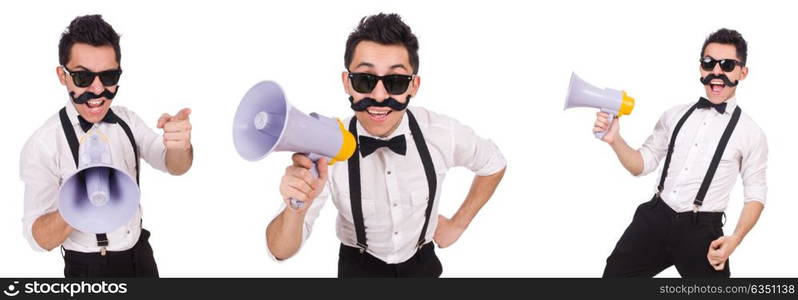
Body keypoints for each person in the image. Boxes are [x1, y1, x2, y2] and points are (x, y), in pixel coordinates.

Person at [265, 13, 507, 277]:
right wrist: (294, 207)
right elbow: (281, 251)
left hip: (422, 263)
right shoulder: (325, 144)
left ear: (413, 86)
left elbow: (493, 163)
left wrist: (458, 225)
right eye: (365, 80)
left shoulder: (441, 133)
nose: (379, 96)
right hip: (357, 267)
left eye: (395, 82)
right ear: (347, 83)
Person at [20, 14, 194, 277]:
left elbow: (174, 166)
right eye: (82, 78)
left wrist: (179, 145)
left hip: (140, 255)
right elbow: (39, 239)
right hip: (89, 268)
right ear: (62, 76)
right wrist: (79, 203)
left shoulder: (128, 121)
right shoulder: (44, 144)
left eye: (109, 75)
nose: (98, 90)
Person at [596, 28, 767, 277]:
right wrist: (615, 139)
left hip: (702, 231)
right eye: (709, 63)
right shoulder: (674, 115)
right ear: (701, 68)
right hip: (656, 215)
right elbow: (642, 165)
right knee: (614, 276)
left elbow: (756, 195)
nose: (717, 72)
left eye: (727, 64)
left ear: (743, 72)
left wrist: (735, 239)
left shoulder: (751, 133)